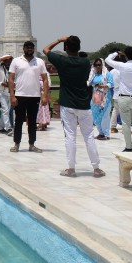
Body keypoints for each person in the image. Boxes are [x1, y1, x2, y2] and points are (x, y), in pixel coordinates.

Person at [44, 36, 104, 178]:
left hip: (67, 104)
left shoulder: (62, 60)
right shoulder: (85, 62)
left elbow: (46, 50)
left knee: (70, 136)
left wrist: (59, 40)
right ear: (79, 47)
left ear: (66, 48)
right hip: (83, 103)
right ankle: (96, 168)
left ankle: (71, 168)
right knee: (89, 136)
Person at [8, 41, 49, 153]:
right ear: (24, 48)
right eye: (27, 47)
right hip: (20, 95)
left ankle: (32, 144)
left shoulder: (39, 62)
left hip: (34, 96)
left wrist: (45, 95)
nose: (29, 49)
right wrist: (12, 95)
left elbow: (45, 79)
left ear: (34, 49)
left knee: (32, 121)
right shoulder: (16, 61)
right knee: (19, 121)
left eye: (31, 47)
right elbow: (11, 79)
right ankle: (16, 144)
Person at [105, 47, 132, 153]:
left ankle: (129, 147)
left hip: (124, 97)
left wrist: (116, 53)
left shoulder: (123, 66)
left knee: (126, 123)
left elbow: (107, 60)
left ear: (125, 56)